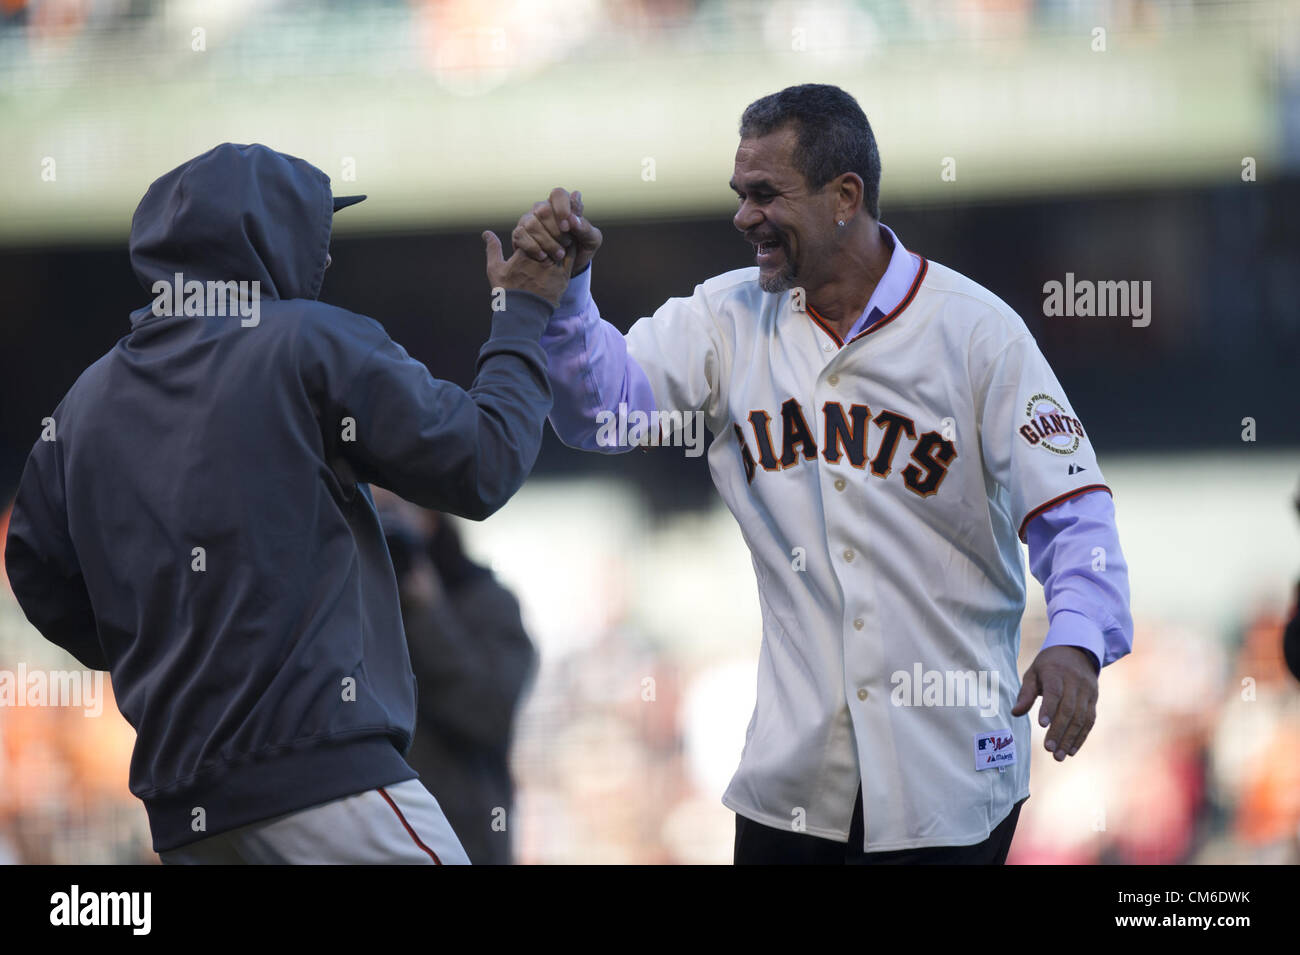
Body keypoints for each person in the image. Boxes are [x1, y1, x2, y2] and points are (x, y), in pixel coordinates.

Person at [515, 84, 1134, 864]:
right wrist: (569, 299)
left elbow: (1075, 510)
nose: (744, 217)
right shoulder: (725, 318)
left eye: (767, 194)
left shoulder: (979, 332)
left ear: (846, 197)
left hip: (950, 781)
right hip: (794, 784)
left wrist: (1077, 639)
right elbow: (603, 415)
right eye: (740, 195)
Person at [3, 142, 570, 864]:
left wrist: (177, 644)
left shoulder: (81, 406)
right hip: (327, 783)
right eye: (311, 233)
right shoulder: (307, 338)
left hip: (189, 817)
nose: (325, 258)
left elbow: (38, 576)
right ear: (263, 237)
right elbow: (484, 464)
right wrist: (523, 312)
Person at [373, 488, 537, 865]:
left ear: (430, 519)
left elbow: (488, 714)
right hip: (378, 837)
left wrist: (427, 613)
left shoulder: (486, 602)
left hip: (462, 837)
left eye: (394, 515)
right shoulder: (350, 608)